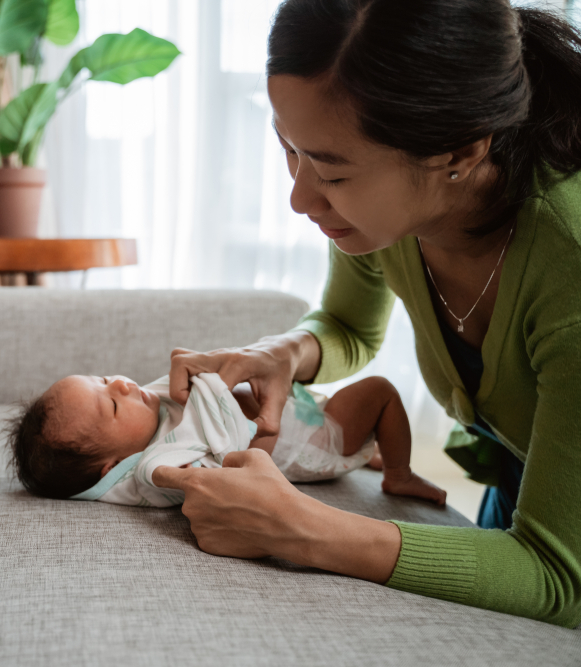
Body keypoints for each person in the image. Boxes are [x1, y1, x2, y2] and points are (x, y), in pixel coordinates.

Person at [153, 0, 581, 628]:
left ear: (457, 152)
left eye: (330, 170)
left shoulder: (568, 266)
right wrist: (287, 352)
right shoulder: (391, 213)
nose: (298, 197)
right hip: (520, 488)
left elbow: (556, 576)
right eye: (288, 149)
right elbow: (350, 326)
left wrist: (301, 529)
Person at [6, 371, 445, 507]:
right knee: (381, 392)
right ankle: (399, 472)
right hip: (320, 437)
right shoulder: (157, 467)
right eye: (113, 405)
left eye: (102, 379)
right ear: (110, 466)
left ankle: (370, 456)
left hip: (299, 416)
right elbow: (219, 471)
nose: (121, 384)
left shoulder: (152, 422)